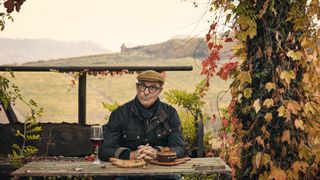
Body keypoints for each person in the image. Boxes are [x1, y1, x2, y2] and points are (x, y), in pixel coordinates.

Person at [98, 70, 185, 180]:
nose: (146, 92)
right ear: (137, 87)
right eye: (143, 86)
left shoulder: (170, 113)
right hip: (127, 174)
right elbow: (105, 150)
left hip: (163, 174)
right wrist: (131, 155)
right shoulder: (119, 114)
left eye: (152, 88)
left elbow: (180, 149)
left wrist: (157, 152)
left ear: (160, 91)